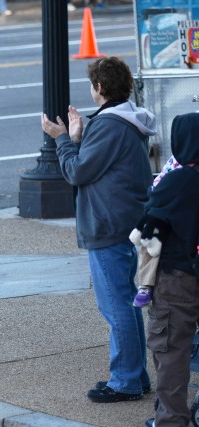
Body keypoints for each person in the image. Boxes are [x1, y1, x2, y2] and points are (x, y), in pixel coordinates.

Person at [41, 56, 155, 403]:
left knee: (116, 305)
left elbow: (77, 172)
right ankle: (135, 375)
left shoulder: (109, 126)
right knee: (126, 300)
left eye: (92, 85)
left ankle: (125, 381)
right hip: (123, 219)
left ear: (100, 89)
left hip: (107, 223)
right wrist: (79, 136)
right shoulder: (124, 121)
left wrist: (62, 139)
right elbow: (98, 164)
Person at [141, 112, 199, 427]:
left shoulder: (179, 179)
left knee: (171, 349)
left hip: (178, 276)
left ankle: (172, 419)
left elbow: (148, 218)